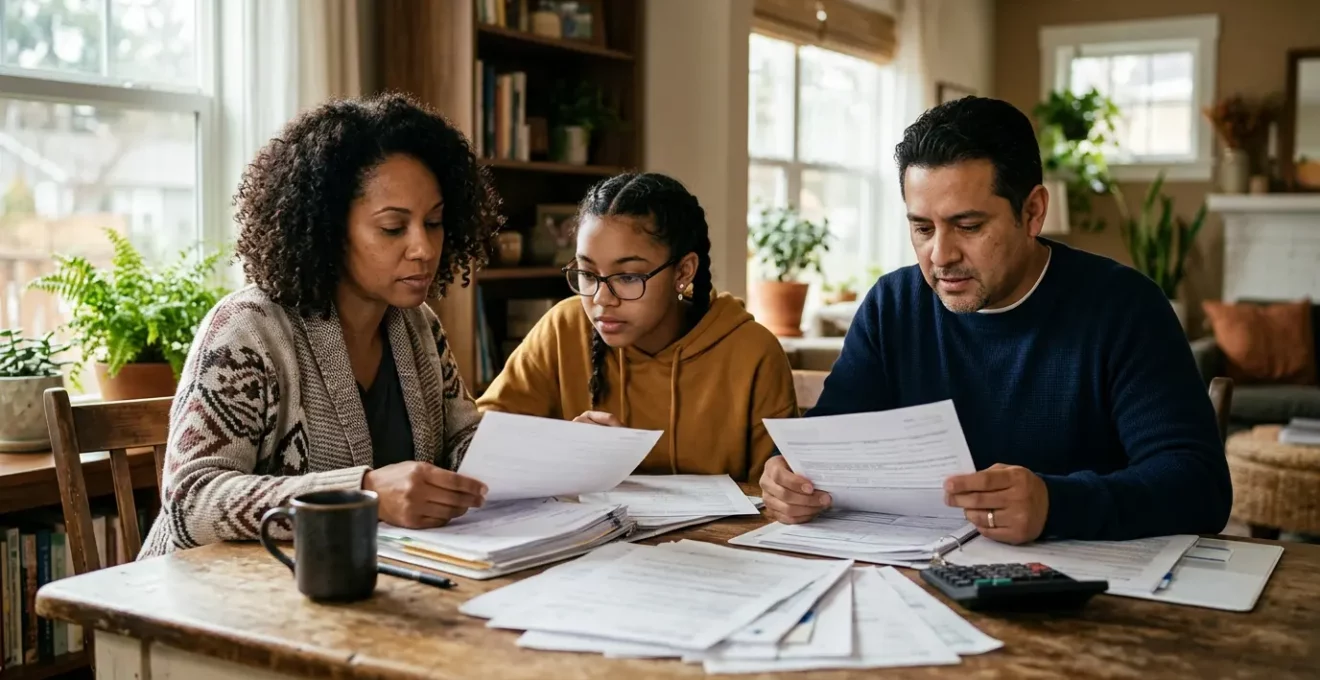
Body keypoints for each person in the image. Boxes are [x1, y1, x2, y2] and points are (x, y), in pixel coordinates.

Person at [759, 97, 1232, 543]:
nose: (940, 256)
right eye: (922, 228)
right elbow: (828, 443)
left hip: (1085, 597)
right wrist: (789, 477)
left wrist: (1056, 504)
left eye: (968, 227)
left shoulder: (1126, 309)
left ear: (1032, 212)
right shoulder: (894, 305)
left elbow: (1199, 486)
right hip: (911, 577)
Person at [140, 93, 503, 558]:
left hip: (345, 589)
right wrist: (363, 492)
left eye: (433, 223)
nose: (424, 248)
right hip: (205, 603)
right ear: (329, 228)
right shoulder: (248, 329)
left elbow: (459, 442)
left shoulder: (418, 326)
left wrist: (555, 452)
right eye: (393, 228)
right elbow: (190, 503)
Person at [477, 172, 797, 482]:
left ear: (683, 271)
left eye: (628, 277)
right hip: (593, 534)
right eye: (588, 274)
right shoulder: (564, 327)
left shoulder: (752, 352)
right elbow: (478, 436)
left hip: (715, 538)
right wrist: (561, 447)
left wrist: (784, 485)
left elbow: (778, 486)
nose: (602, 299)